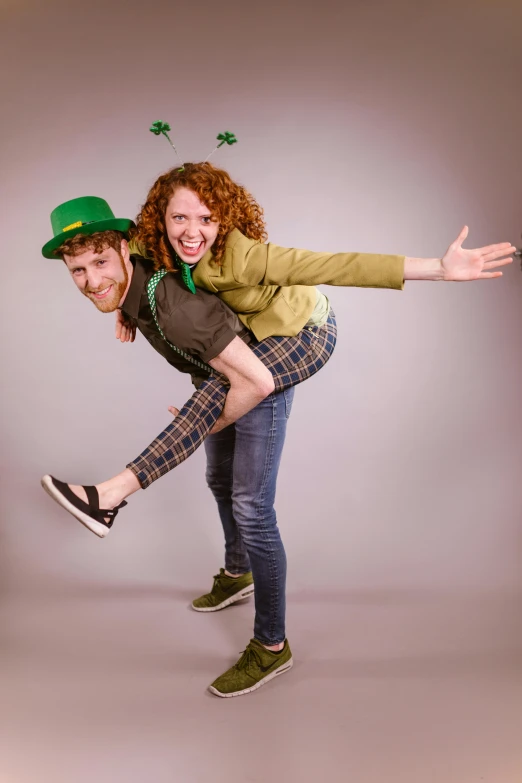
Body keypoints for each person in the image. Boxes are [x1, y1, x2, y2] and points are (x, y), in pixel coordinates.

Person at [41, 180, 514, 698]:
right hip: (235, 349)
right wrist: (125, 306)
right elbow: (117, 259)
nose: (191, 232)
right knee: (218, 473)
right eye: (78, 272)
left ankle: (269, 645)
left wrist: (439, 269)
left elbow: (333, 265)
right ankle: (237, 572)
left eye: (204, 219)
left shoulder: (241, 262)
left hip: (296, 336)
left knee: (249, 501)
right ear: (155, 225)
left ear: (223, 220)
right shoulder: (141, 252)